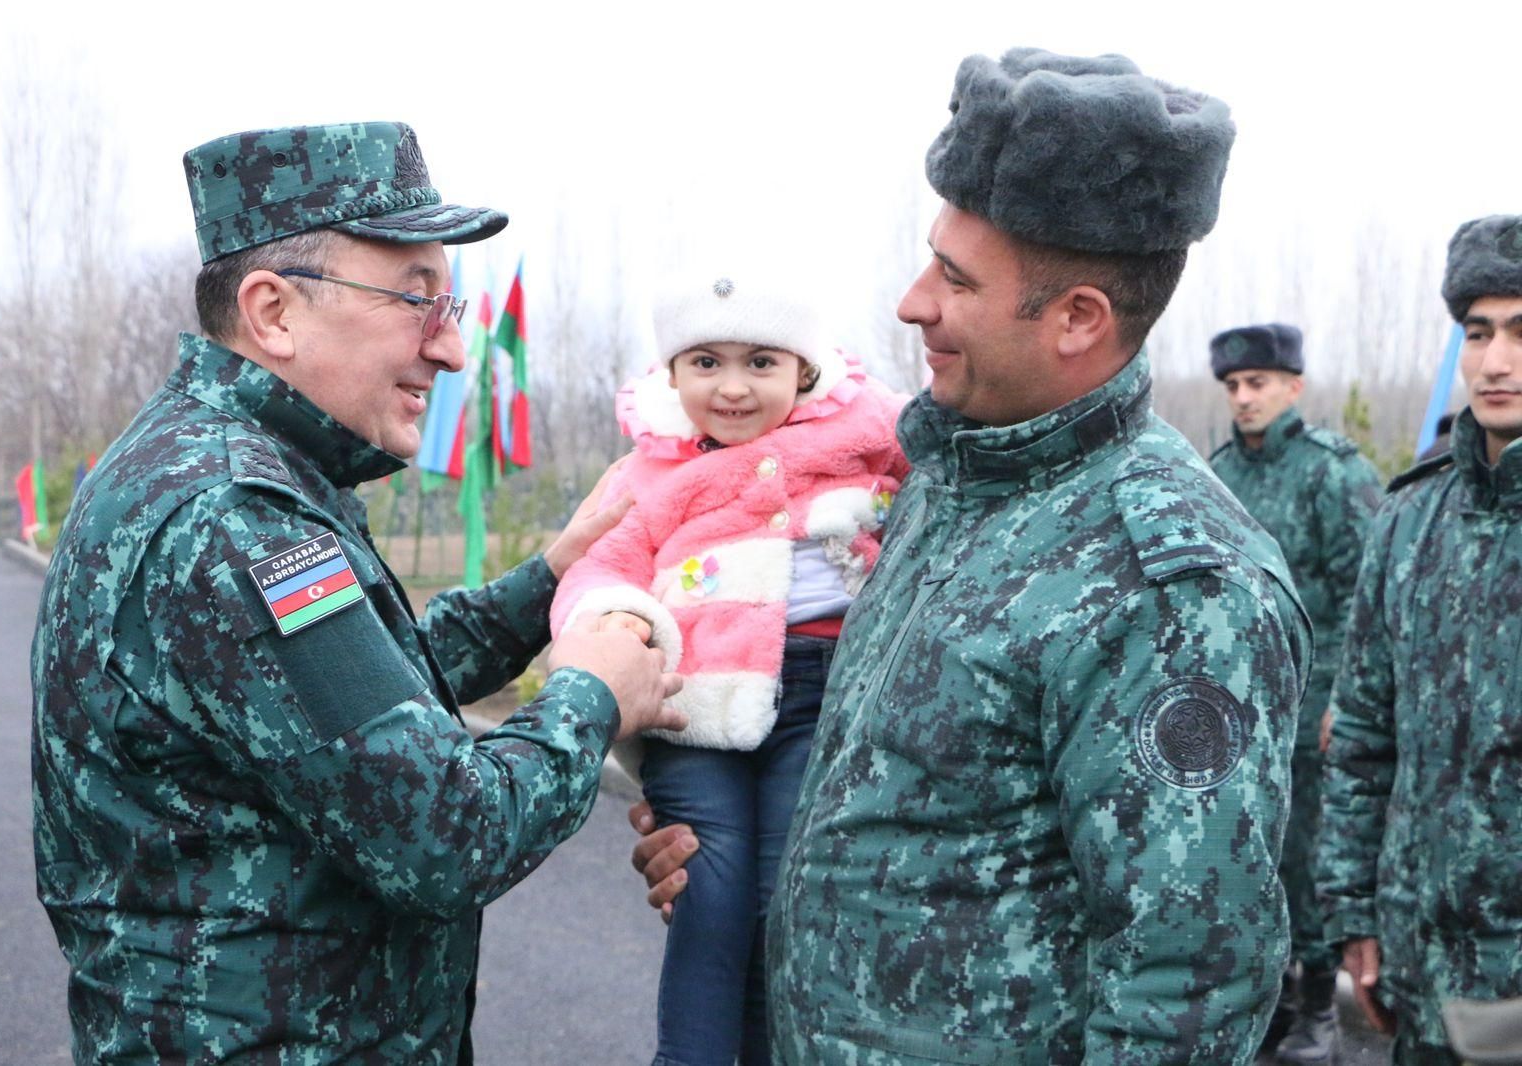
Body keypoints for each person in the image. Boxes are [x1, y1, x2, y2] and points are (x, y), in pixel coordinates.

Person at [635, 48, 1313, 1063]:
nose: (912, 302)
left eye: (955, 279)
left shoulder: (1170, 583)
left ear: (1077, 318)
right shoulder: (950, 480)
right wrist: (736, 859)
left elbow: (1182, 988)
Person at [30, 121, 683, 1065]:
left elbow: (337, 707)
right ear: (275, 313)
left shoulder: (216, 463)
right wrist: (591, 692)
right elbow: (445, 834)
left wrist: (546, 582)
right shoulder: (235, 515)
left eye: (448, 302)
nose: (452, 349)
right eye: (415, 299)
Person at [552, 269, 907, 1065]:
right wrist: (618, 619)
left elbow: (937, 474)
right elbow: (597, 567)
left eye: (761, 362)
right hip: (694, 701)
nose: (734, 388)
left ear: (805, 371)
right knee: (708, 889)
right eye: (705, 362)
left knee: (783, 897)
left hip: (818, 696)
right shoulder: (648, 472)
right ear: (671, 374)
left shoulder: (866, 433)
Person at [1318, 213, 1522, 1066]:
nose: (1496, 361)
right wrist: (1353, 914)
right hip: (1419, 958)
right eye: (1478, 333)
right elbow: (1363, 736)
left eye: (1521, 333)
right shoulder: (1409, 517)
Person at [1207, 322, 1383, 1063]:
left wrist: (1346, 694)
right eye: (1234, 387)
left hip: (1316, 701)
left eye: (1257, 384)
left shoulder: (1332, 473)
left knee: (1309, 853)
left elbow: (1368, 595)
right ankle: (1272, 997)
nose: (1244, 399)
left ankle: (1319, 1004)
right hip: (1239, 703)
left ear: (1292, 387)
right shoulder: (1218, 473)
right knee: (1249, 853)